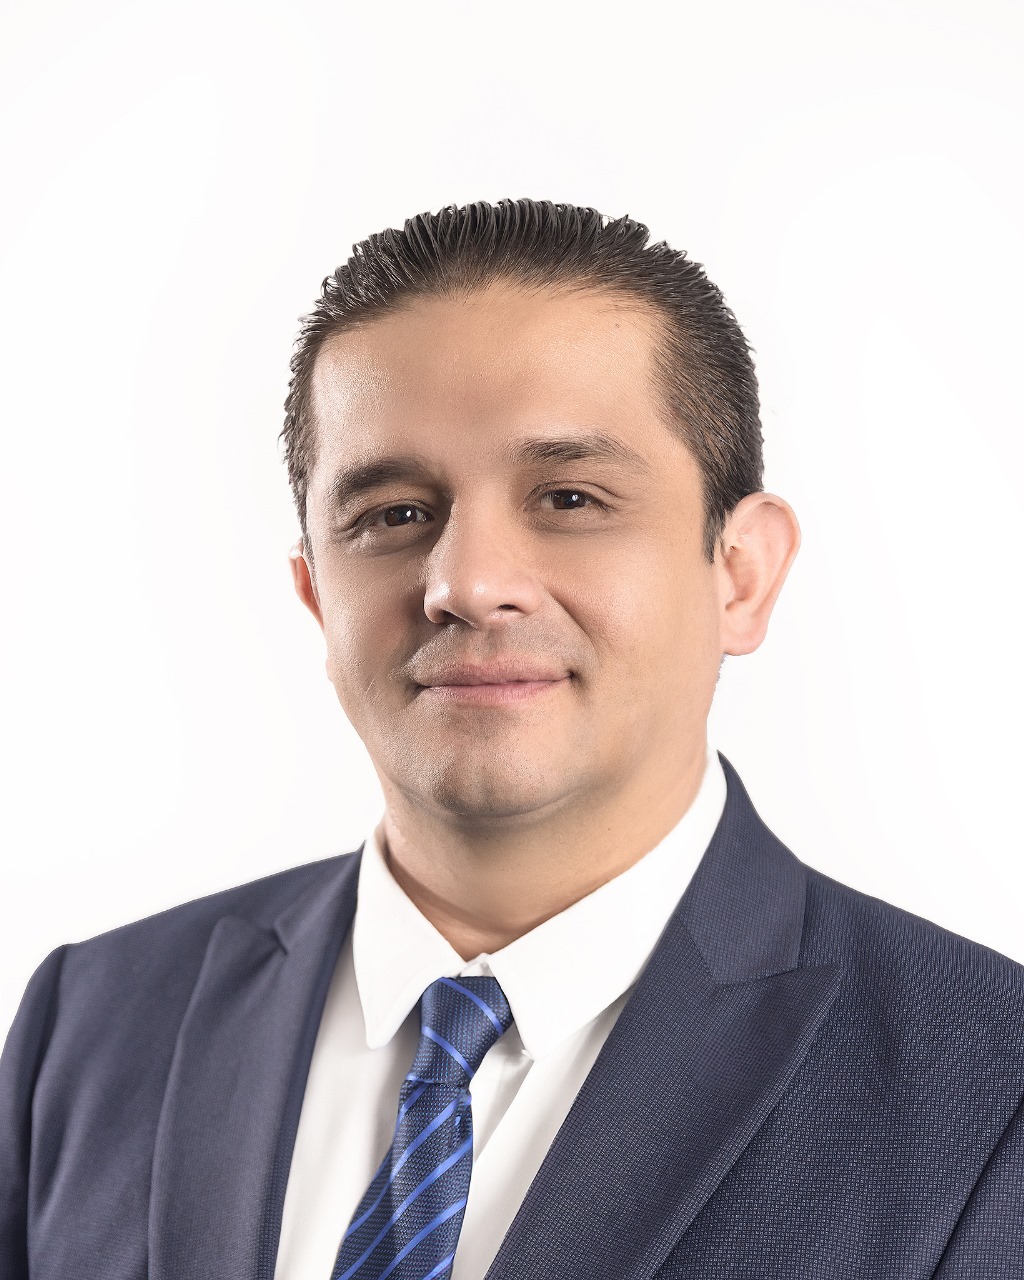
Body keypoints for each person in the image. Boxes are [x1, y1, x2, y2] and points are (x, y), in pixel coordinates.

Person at [2, 198, 1022, 1280]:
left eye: (570, 497)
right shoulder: (90, 1024)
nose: (467, 582)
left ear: (741, 573)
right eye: (394, 514)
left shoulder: (987, 1092)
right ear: (315, 595)